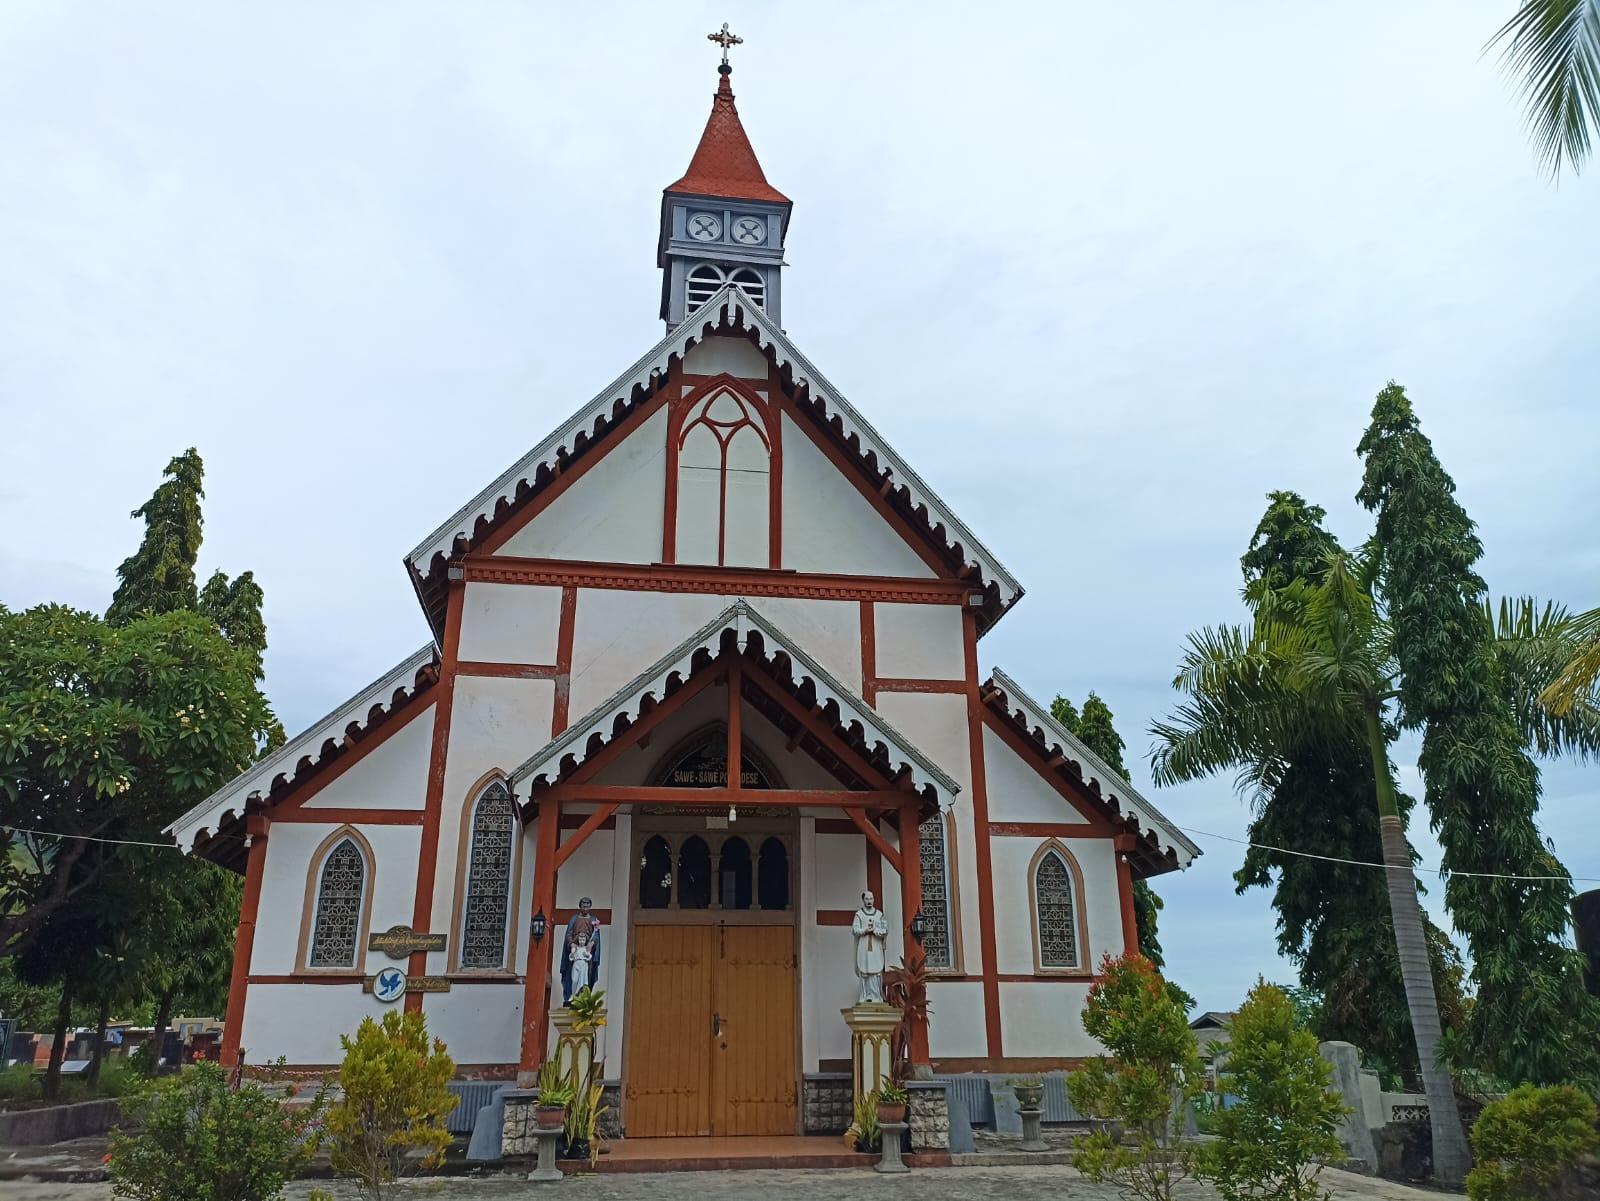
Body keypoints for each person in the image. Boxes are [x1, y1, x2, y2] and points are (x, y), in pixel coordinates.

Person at [560, 897, 602, 1004]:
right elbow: (569, 934)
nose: (585, 908)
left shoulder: (593, 919)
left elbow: (596, 935)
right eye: (583, 906)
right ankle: (572, 995)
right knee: (573, 977)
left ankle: (584, 996)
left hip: (587, 952)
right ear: (580, 906)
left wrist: (591, 944)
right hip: (575, 952)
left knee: (586, 977)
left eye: (587, 906)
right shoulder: (574, 919)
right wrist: (572, 944)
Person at [852, 890, 889, 1004]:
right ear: (863, 900)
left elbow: (885, 929)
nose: (869, 901)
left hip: (876, 946)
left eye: (871, 899)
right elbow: (855, 929)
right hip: (863, 945)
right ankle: (865, 995)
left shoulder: (879, 914)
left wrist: (877, 932)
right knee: (864, 969)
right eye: (867, 899)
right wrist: (865, 930)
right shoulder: (859, 914)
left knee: (876, 970)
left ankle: (876, 995)